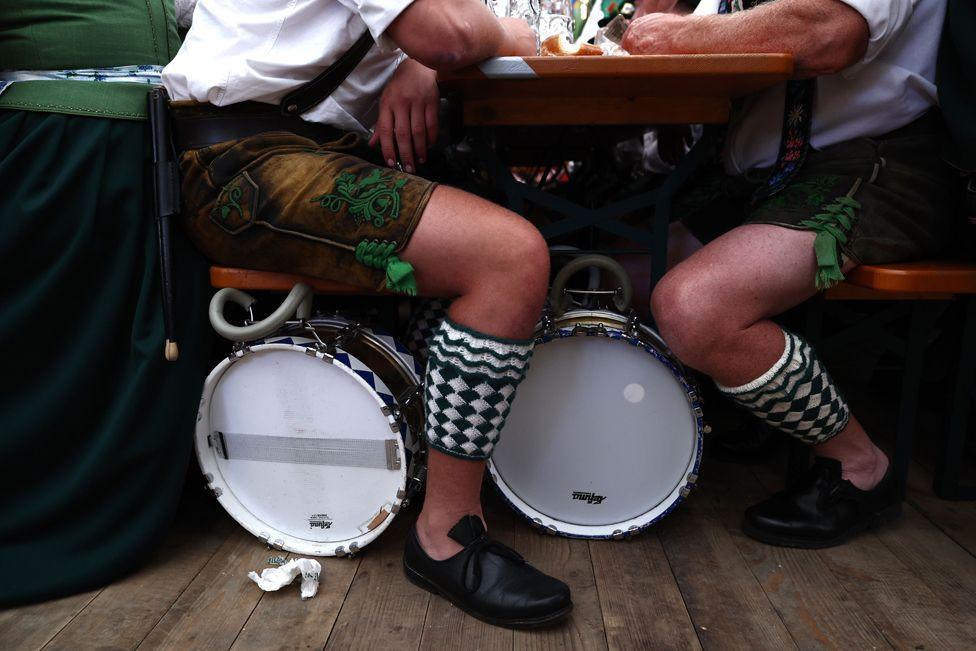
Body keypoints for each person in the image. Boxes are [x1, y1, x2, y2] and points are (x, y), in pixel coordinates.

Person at [162, 0, 572, 628]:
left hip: (289, 152)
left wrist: (426, 59)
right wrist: (432, 50)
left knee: (490, 237)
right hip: (242, 163)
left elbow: (507, 33)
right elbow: (453, 34)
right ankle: (446, 537)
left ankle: (436, 476)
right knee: (508, 258)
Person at [623, 0, 954, 547]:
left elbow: (828, 31)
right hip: (767, 176)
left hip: (873, 162)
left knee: (697, 306)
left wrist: (681, 32)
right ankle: (750, 413)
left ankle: (860, 466)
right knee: (614, 270)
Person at [0, 1, 213, 605]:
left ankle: (142, 488)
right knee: (40, 352)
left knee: (150, 345)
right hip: (46, 153)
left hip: (170, 148)